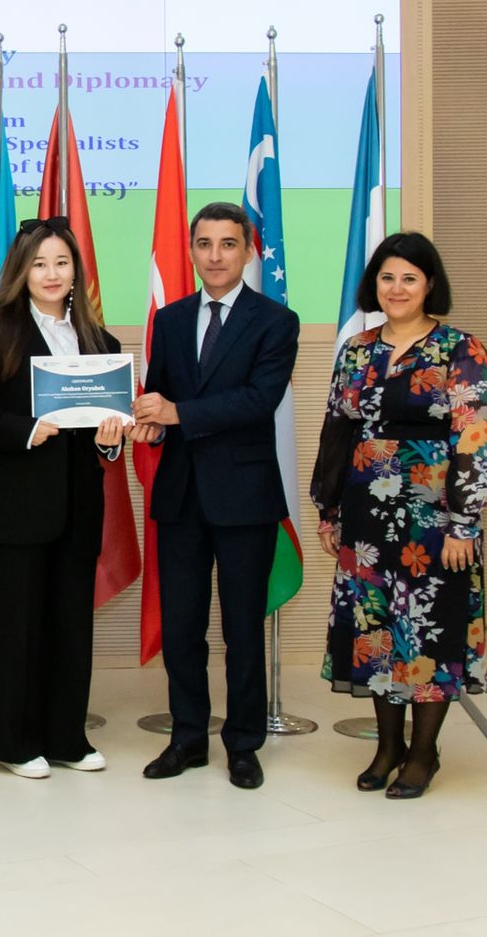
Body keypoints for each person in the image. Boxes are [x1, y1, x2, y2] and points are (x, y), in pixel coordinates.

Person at [311, 231, 487, 799]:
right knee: (374, 629)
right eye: (387, 277)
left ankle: (423, 753)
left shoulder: (461, 349)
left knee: (429, 629)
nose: (397, 288)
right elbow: (337, 429)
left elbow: (477, 436)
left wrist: (464, 522)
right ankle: (387, 747)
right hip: (366, 515)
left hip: (434, 520)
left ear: (429, 285)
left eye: (409, 278)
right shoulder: (357, 348)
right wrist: (329, 509)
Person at [131, 201, 300, 790]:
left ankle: (244, 744)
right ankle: (187, 737)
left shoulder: (276, 321)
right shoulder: (171, 319)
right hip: (181, 494)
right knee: (181, 628)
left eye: (228, 244)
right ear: (191, 250)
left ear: (248, 250)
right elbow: (160, 397)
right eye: (204, 244)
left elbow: (258, 400)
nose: (215, 256)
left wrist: (177, 414)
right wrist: (152, 424)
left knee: (242, 630)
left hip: (245, 496)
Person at [0, 218, 127, 778]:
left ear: (76, 271)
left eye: (62, 263)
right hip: (17, 507)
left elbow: (109, 428)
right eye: (40, 264)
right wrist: (26, 430)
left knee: (71, 625)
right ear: (21, 272)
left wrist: (111, 441)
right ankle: (12, 741)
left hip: (78, 507)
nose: (52, 274)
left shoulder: (101, 344)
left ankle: (66, 738)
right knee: (17, 628)